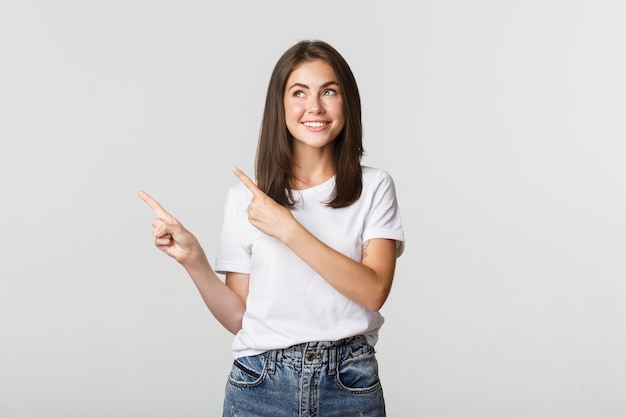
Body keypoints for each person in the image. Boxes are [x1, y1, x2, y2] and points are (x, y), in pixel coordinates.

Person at [139, 39, 405, 417]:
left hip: (348, 383)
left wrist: (289, 229)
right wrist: (194, 259)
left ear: (348, 103)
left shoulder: (374, 187)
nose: (314, 107)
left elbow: (374, 290)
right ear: (279, 105)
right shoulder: (244, 200)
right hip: (260, 385)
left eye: (329, 91)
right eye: (299, 93)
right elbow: (239, 317)